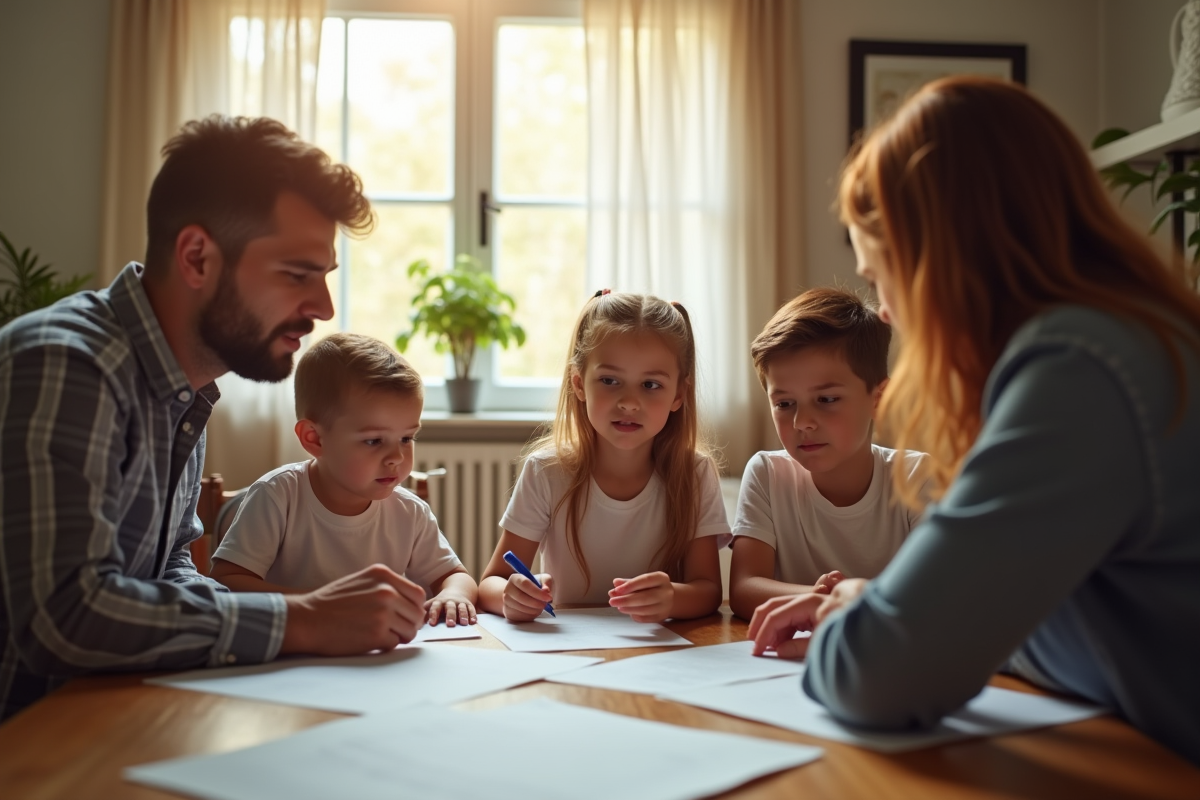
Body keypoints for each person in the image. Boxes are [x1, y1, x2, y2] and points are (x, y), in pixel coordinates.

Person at [749, 76, 1200, 766]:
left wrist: (860, 616)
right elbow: (1057, 613)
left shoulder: (1076, 371)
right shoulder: (1135, 337)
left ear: (944, 257)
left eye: (882, 277)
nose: (888, 313)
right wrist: (896, 606)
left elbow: (878, 677)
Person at [0, 116, 429, 722]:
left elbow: (171, 562)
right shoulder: (68, 365)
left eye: (325, 277)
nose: (322, 308)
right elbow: (65, 616)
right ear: (198, 257)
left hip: (112, 720)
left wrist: (298, 628)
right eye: (296, 274)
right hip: (29, 743)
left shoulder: (183, 391)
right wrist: (302, 619)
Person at [478, 291, 728, 623]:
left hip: (660, 652)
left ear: (678, 394)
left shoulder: (695, 473)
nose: (629, 402)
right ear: (579, 384)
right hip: (568, 650)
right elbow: (492, 582)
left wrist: (672, 599)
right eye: (610, 380)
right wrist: (513, 595)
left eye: (651, 385)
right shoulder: (546, 471)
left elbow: (708, 590)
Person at [210, 333, 478, 627]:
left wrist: (453, 596)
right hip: (292, 651)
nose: (397, 457)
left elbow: (456, 576)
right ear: (314, 439)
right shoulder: (277, 496)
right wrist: (318, 606)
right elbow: (228, 583)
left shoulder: (410, 512)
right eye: (374, 441)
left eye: (406, 438)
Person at [728, 287, 927, 621]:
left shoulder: (916, 477)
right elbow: (745, 589)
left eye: (826, 400)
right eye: (784, 404)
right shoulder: (767, 473)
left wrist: (839, 602)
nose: (802, 422)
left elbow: (941, 593)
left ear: (878, 400)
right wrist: (822, 597)